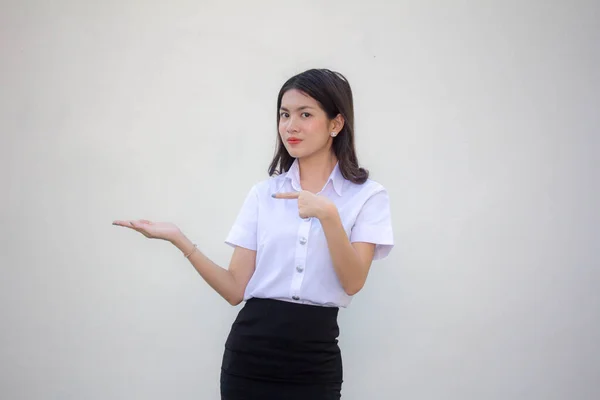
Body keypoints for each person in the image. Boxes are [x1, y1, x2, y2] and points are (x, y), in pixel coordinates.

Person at [113, 68, 394, 399]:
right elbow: (235, 290)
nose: (291, 126)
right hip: (249, 358)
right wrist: (179, 238)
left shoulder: (368, 197)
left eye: (306, 114)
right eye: (284, 114)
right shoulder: (264, 194)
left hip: (314, 362)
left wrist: (328, 215)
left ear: (336, 123)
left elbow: (353, 282)